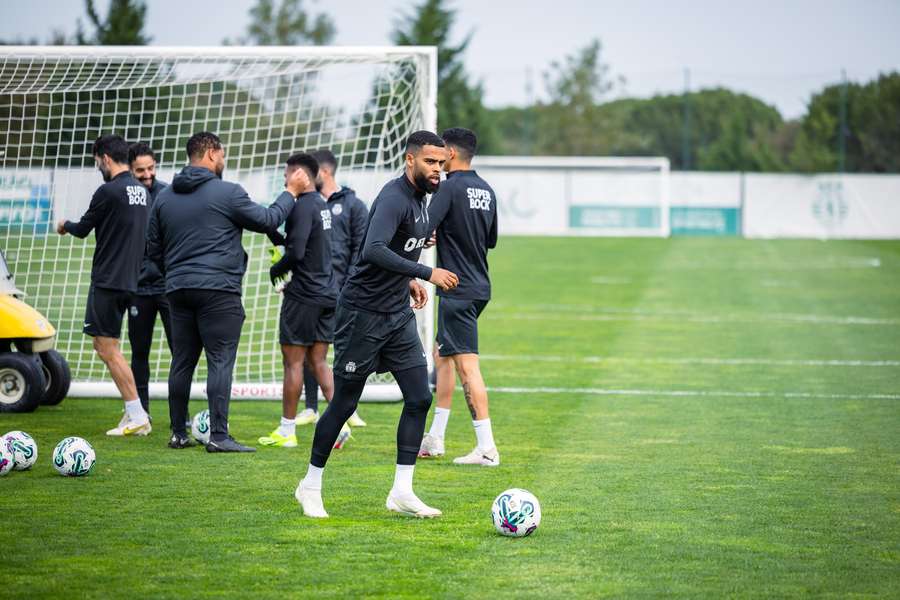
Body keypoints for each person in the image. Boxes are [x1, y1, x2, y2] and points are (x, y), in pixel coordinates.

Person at [294, 130, 459, 518]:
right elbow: (373, 250)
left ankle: (402, 491)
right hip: (362, 313)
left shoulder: (422, 199)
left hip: (397, 315)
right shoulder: (393, 196)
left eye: (441, 163)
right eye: (430, 162)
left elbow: (395, 248)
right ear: (410, 160)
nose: (437, 169)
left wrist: (409, 280)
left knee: (419, 396)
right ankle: (311, 485)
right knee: (345, 402)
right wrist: (426, 272)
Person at [147, 131, 308, 452]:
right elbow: (267, 219)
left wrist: (177, 274)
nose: (223, 160)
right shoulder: (227, 193)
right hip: (218, 290)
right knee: (220, 360)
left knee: (182, 361)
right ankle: (219, 436)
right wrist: (291, 191)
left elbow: (152, 248)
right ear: (210, 154)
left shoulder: (164, 197)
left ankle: (179, 433)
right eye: (221, 155)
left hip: (177, 289)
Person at [56, 134, 151, 436]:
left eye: (97, 160)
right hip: (130, 280)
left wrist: (64, 225)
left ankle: (137, 415)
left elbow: (83, 229)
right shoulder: (140, 190)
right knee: (112, 347)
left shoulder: (107, 192)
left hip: (108, 280)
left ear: (105, 158)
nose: (98, 165)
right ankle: (133, 411)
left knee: (106, 348)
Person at [419, 127, 500, 466]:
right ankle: (436, 436)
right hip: (479, 285)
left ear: (450, 153)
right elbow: (491, 240)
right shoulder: (487, 189)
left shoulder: (449, 187)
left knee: (468, 368)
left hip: (456, 287)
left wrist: (430, 233)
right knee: (442, 355)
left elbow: (424, 226)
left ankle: (486, 447)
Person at [258, 153, 342, 448]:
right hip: (327, 293)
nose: (284, 180)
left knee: (293, 363)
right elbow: (298, 243)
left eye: (287, 174)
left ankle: (286, 430)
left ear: (298, 174)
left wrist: (275, 270)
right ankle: (340, 427)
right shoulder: (322, 205)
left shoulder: (301, 206)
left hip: (304, 295)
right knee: (318, 361)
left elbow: (294, 253)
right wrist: (273, 233)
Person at [292, 149, 369, 427]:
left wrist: (349, 287)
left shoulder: (353, 205)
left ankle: (349, 407)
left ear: (323, 173)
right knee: (309, 349)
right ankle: (311, 407)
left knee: (344, 351)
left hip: (344, 292)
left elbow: (361, 250)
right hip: (311, 289)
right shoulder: (305, 203)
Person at [127, 142, 173, 420]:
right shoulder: (126, 195)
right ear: (130, 170)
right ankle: (140, 412)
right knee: (139, 352)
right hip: (138, 288)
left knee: (180, 352)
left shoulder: (168, 193)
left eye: (151, 168)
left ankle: (179, 414)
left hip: (168, 287)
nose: (147, 174)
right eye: (140, 170)